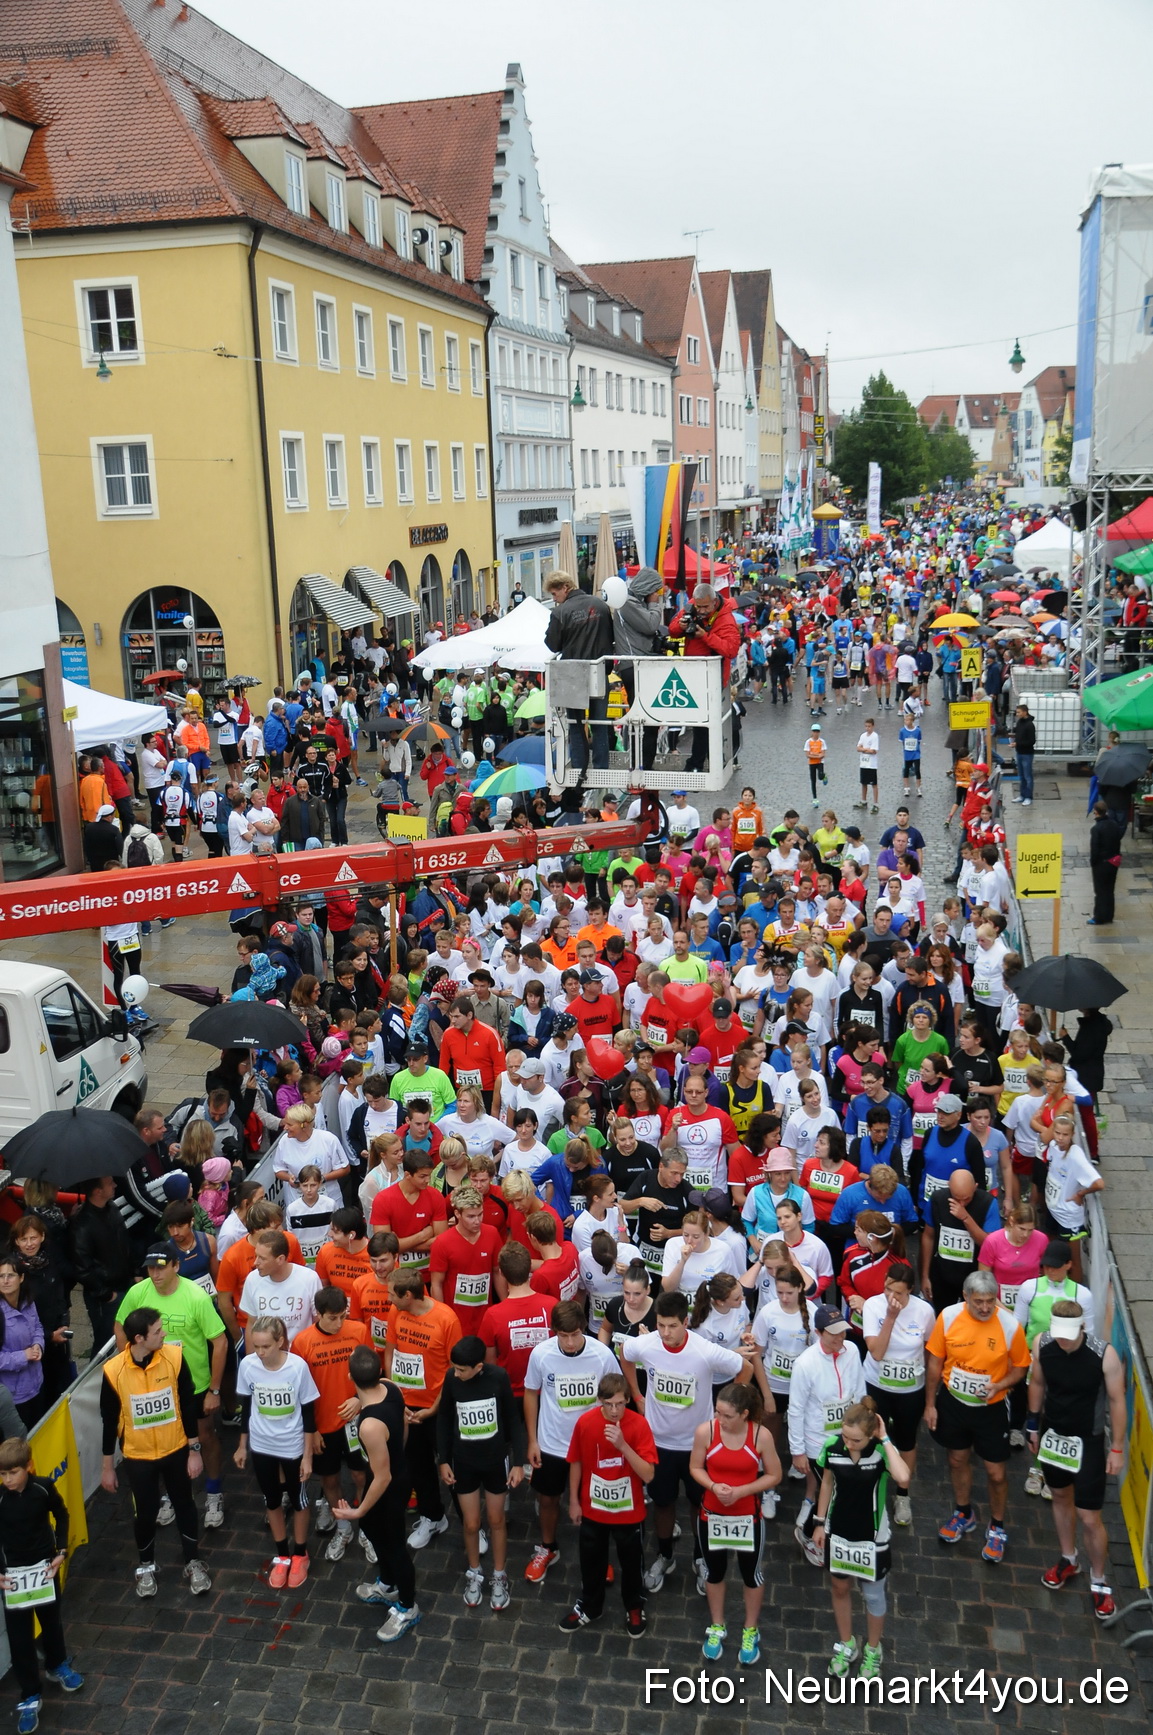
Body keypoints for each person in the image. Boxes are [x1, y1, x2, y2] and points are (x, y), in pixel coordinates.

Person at [621, 1290, 748, 1594]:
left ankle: (700, 1558)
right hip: (658, 1444)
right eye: (661, 1325)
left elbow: (746, 1369)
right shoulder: (647, 1344)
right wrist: (636, 1395)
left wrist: (724, 1414)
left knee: (698, 1504)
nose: (666, 1333)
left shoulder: (704, 1350)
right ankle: (665, 1555)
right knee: (663, 1504)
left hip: (696, 1447)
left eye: (673, 1326)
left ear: (686, 1322)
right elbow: (625, 1353)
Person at [99, 1307, 212, 1599]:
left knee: (185, 1504)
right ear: (139, 1338)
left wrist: (194, 1449)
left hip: (175, 1449)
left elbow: (187, 1404)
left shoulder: (174, 1357)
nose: (164, 1334)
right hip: (138, 1457)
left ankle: (193, 1562)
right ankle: (146, 1567)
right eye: (158, 1331)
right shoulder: (113, 1370)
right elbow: (109, 1420)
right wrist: (107, 1467)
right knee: (146, 1513)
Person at [1025, 1299, 1126, 1620]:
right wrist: (1032, 1424)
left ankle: (1100, 1579)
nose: (1063, 1341)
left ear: (1082, 1327)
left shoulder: (1104, 1355)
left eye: (1069, 1336)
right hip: (1054, 1436)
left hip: (1088, 1441)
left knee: (1089, 1517)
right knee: (1059, 1497)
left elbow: (1117, 1401)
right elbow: (1037, 1382)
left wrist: (1117, 1447)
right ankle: (1069, 1558)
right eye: (1059, 1335)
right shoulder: (1043, 1343)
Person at [114, 1248, 228, 1533]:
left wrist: (214, 1390)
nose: (155, 1274)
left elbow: (220, 1342)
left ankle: (214, 1492)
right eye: (150, 1268)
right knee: (164, 1440)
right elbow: (119, 1327)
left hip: (194, 1384)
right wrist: (130, 1365)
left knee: (204, 1436)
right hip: (154, 1385)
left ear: (176, 1266)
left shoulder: (196, 1297)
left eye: (161, 1268)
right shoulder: (138, 1292)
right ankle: (170, 1495)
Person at [924, 1268, 1031, 1564]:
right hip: (953, 1404)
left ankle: (997, 1526)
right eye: (978, 1301)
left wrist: (999, 1385)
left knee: (996, 1473)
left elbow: (1021, 1368)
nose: (985, 1308)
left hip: (991, 1410)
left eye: (990, 1301)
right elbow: (935, 1363)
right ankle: (963, 1512)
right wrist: (930, 1404)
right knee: (957, 1459)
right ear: (965, 1297)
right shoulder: (948, 1317)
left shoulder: (1009, 1325)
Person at [812, 1399, 912, 1681]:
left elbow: (903, 1477)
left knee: (873, 1595)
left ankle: (873, 1649)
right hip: (839, 1532)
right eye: (845, 1436)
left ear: (871, 1435)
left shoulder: (880, 1451)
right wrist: (819, 1523)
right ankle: (847, 1644)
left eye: (856, 1439)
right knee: (840, 1588)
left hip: (873, 1537)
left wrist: (886, 1439)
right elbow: (827, 1483)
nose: (848, 1443)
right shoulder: (832, 1447)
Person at [523, 1299, 619, 1583]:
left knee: (596, 1500)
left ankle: (599, 1555)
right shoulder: (541, 1354)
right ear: (554, 1332)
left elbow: (615, 1396)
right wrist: (532, 1440)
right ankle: (547, 1547)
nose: (569, 1342)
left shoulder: (602, 1355)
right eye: (562, 1335)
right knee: (548, 1498)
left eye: (575, 1334)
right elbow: (531, 1393)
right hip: (552, 1443)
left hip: (592, 1444)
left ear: (584, 1328)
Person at [560, 1370, 657, 1637]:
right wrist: (574, 1501)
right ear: (599, 1401)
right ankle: (590, 1607)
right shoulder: (585, 1422)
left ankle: (634, 1606)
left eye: (620, 1404)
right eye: (608, 1404)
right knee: (591, 1561)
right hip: (594, 1509)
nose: (614, 1411)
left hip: (629, 1512)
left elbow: (648, 1474)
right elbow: (576, 1461)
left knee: (632, 1563)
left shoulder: (639, 1425)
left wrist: (623, 1445)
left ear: (628, 1400)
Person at [690, 1381, 780, 1665]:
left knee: (751, 1574)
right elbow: (695, 1467)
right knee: (714, 1573)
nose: (720, 1419)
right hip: (712, 1515)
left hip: (747, 1516)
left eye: (727, 1415)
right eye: (717, 1412)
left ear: (744, 1414)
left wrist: (741, 1491)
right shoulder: (706, 1431)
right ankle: (717, 1625)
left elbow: (775, 1475)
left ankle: (750, 1629)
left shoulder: (761, 1436)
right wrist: (713, 1486)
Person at [337, 1344, 421, 1645]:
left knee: (394, 1545)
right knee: (372, 1529)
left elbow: (383, 1476)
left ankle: (407, 1606)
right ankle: (387, 1584)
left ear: (351, 1377)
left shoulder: (370, 1426)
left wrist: (358, 1510)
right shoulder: (390, 1386)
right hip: (392, 1472)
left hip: (390, 1484)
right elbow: (404, 1425)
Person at [0, 1435, 83, 1735]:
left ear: (29, 1466)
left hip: (45, 1570)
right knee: (20, 1636)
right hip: (12, 1577)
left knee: (51, 1621)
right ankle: (30, 1694)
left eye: (13, 1472)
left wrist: (61, 1552)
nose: (7, 1480)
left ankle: (57, 1664)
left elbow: (62, 1515)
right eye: (3, 1474)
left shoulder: (44, 1488)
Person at [436, 1335, 524, 1611]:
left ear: (478, 1367)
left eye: (462, 1370)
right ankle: (474, 1571)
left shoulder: (498, 1377)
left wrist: (519, 1462)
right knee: (471, 1523)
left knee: (497, 1520)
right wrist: (443, 1460)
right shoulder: (452, 1379)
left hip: (495, 1460)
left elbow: (512, 1418)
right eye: (454, 1368)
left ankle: (499, 1574)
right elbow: (444, 1418)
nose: (456, 1373)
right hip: (464, 1462)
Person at [234, 1316, 319, 1588]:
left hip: (292, 1445)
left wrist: (307, 1456)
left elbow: (308, 1412)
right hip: (261, 1445)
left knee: (299, 1500)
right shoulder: (248, 1366)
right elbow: (247, 1407)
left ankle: (300, 1553)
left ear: (280, 1341)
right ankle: (282, 1554)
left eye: (266, 1346)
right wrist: (242, 1445)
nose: (260, 1352)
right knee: (271, 1500)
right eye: (256, 1346)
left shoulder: (297, 1367)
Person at [383, 1269, 462, 1548]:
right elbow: (390, 1352)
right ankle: (433, 1516)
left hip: (438, 1408)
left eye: (392, 1294)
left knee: (453, 1468)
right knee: (418, 1466)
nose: (388, 1299)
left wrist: (434, 1408)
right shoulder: (396, 1312)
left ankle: (470, 1523)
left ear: (408, 1295)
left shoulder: (446, 1319)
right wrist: (397, 1398)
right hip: (407, 1406)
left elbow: (455, 1370)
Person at [787, 1305, 867, 1566]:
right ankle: (810, 1535)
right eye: (833, 1333)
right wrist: (798, 1451)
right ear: (819, 1332)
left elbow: (859, 1389)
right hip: (817, 1442)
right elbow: (796, 1410)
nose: (840, 1338)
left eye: (842, 1332)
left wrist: (865, 1427)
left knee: (837, 1489)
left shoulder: (852, 1351)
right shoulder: (805, 1364)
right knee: (832, 1489)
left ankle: (818, 1530)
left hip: (848, 1438)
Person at [861, 1261, 934, 1526]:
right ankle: (870, 1486)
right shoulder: (873, 1306)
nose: (891, 1297)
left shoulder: (924, 1311)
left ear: (910, 1290)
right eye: (887, 1289)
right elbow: (877, 1352)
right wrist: (890, 1318)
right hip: (876, 1385)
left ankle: (903, 1493)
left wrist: (928, 1392)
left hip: (910, 1389)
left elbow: (930, 1350)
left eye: (899, 1293)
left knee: (906, 1440)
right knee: (871, 1437)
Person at [543, 571, 615, 774]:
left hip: (572, 674)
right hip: (599, 669)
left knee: (575, 724)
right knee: (599, 723)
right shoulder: (600, 605)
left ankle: (579, 767)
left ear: (565, 587)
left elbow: (552, 644)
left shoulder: (560, 612)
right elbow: (610, 635)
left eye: (554, 594)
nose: (554, 599)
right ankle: (601, 768)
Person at [1087, 800, 1124, 927]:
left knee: (1100, 891)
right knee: (1109, 890)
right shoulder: (1114, 824)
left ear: (1096, 812)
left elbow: (1095, 849)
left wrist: (1093, 862)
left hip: (1101, 863)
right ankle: (1109, 915)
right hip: (1113, 861)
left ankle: (1099, 917)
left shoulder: (1096, 829)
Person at [1012, 704, 1036, 807]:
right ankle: (1022, 795)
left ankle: (1028, 797)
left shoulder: (1030, 725)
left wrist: (1018, 744)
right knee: (1021, 776)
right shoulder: (1019, 722)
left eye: (1019, 712)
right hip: (1019, 752)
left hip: (1027, 754)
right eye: (1017, 712)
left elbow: (1031, 741)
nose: (1017, 714)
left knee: (1027, 776)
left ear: (1025, 712)